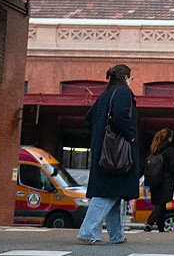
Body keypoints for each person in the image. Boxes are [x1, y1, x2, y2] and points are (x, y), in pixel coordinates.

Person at [76, 64, 140, 245]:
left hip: (103, 152)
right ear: (126, 77)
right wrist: (131, 136)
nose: (131, 82)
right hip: (116, 153)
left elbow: (88, 119)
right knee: (108, 193)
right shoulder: (123, 92)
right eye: (131, 78)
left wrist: (101, 135)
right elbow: (120, 116)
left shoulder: (104, 95)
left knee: (112, 190)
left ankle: (117, 236)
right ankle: (87, 233)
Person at [143, 128, 174, 232]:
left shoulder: (153, 150)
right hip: (166, 181)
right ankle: (149, 223)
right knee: (161, 204)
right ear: (169, 138)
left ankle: (161, 228)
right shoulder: (170, 150)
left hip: (154, 181)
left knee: (161, 205)